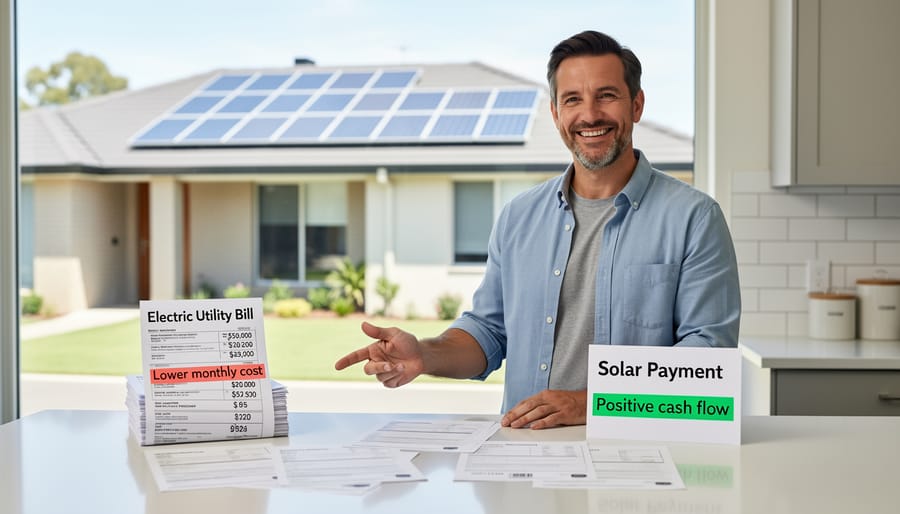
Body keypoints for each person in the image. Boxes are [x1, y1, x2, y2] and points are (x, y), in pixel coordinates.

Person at [335, 30, 740, 429]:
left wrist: (589, 404)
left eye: (607, 95)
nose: (590, 114)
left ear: (636, 105)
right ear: (555, 114)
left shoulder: (694, 219)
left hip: (639, 459)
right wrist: (425, 353)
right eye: (572, 100)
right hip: (527, 457)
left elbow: (707, 360)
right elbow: (489, 333)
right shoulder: (519, 217)